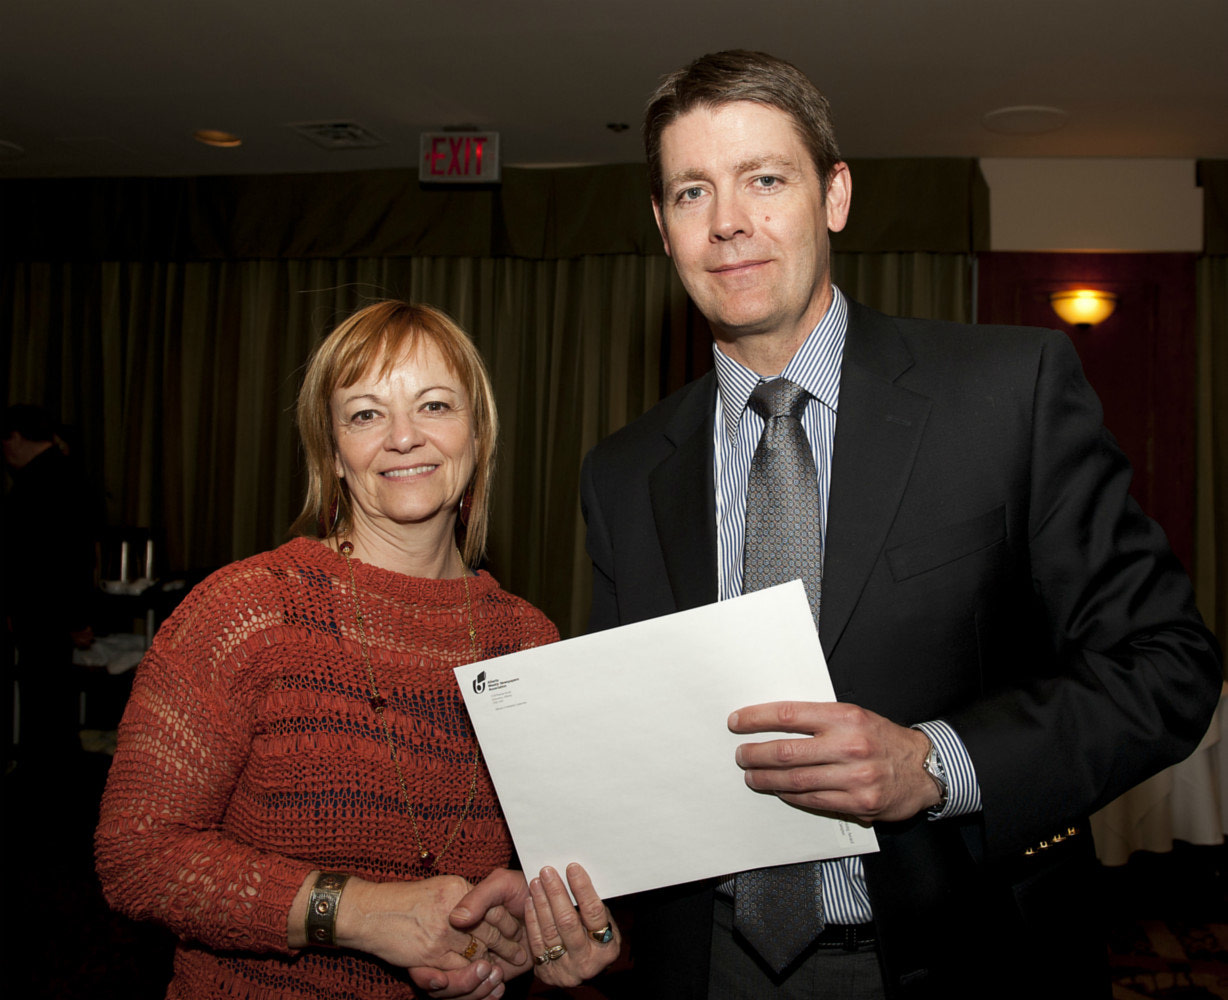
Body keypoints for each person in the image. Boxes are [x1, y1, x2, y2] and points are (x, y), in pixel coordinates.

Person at [578, 51, 1222, 999]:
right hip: (705, 966)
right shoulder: (623, 473)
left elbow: (1167, 667)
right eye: (691, 192)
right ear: (663, 227)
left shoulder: (1007, 394)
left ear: (835, 196)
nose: (728, 222)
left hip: (966, 957)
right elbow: (625, 738)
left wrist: (936, 764)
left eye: (766, 180)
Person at [96, 301, 616, 1000]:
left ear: (478, 433)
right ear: (333, 452)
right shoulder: (246, 613)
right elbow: (136, 856)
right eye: (367, 414)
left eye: (435, 405)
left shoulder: (528, 641)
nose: (403, 437)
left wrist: (527, 938)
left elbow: (552, 874)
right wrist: (359, 912)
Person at [3, 405, 96, 770]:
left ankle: (45, 776)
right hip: (46, 607)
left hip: (45, 609)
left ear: (15, 437)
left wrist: (76, 617)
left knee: (46, 702)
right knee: (47, 699)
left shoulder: (46, 479)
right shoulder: (56, 474)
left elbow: (69, 556)